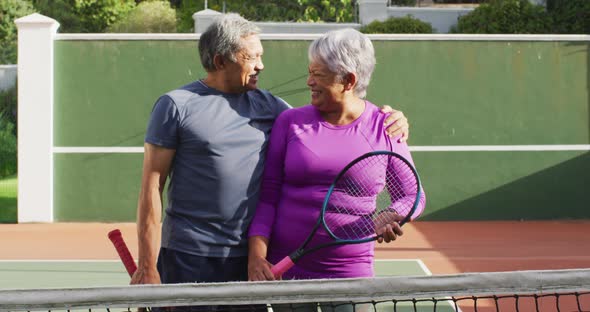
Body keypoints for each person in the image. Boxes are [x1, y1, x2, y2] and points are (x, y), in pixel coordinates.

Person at [131, 14, 410, 290]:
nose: (260, 65)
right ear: (219, 61)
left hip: (247, 260)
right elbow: (151, 187)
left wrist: (394, 119)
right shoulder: (175, 106)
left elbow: (321, 127)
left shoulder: (274, 109)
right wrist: (147, 266)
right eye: (250, 58)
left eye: (260, 55)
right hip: (188, 255)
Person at [247, 28, 426, 286]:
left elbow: (414, 195)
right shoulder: (289, 122)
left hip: (350, 271)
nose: (309, 82)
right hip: (285, 266)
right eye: (309, 72)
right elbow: (268, 198)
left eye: (317, 75)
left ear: (349, 81)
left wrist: (392, 214)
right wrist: (257, 256)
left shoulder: (386, 127)